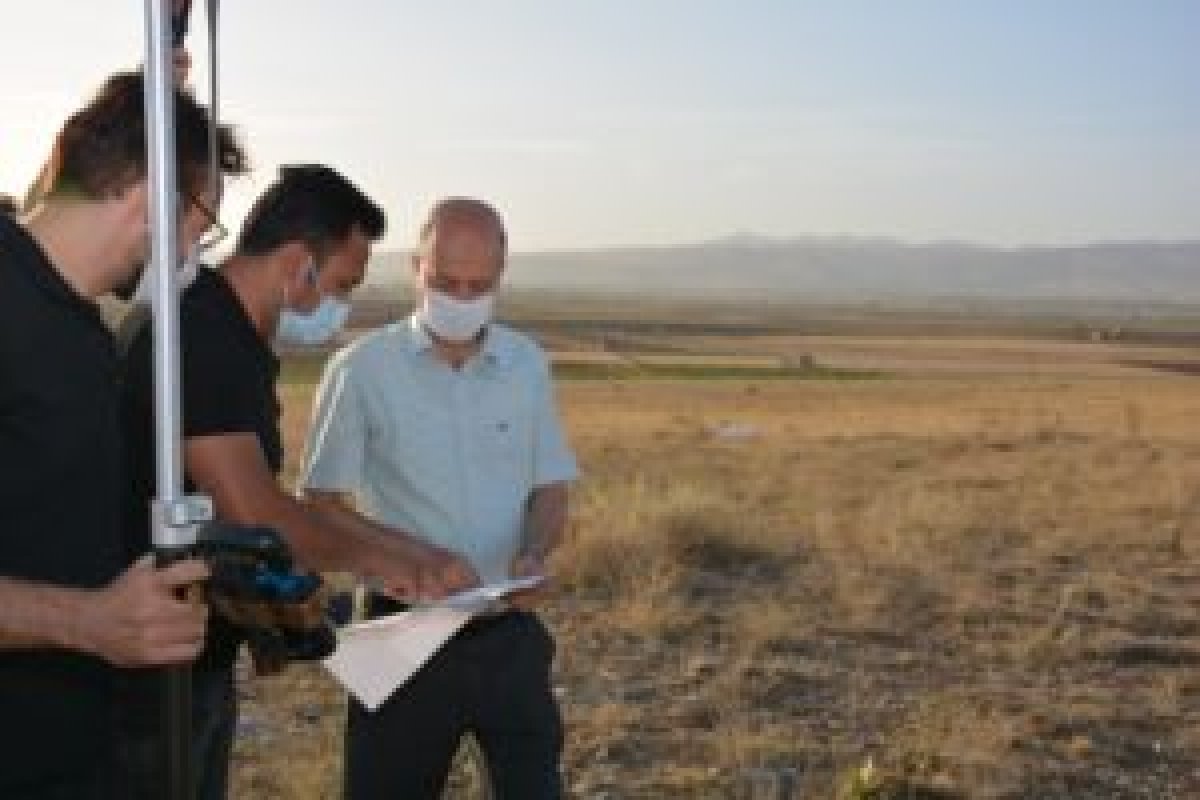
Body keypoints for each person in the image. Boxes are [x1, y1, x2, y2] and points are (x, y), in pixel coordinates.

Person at [119, 165, 478, 800]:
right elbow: (255, 513)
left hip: (192, 654)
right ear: (296, 263)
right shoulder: (199, 335)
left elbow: (229, 517)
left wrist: (412, 552)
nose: (341, 306)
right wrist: (388, 562)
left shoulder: (231, 336)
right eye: (341, 285)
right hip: (145, 679)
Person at [0, 70, 245, 798]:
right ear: (151, 199)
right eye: (201, 225)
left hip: (66, 747)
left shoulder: (80, 328)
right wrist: (87, 621)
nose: (195, 254)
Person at [302, 197, 579, 799]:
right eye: (447, 282)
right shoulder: (360, 369)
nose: (462, 298)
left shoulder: (526, 365)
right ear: (416, 268)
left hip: (509, 635)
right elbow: (320, 505)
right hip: (402, 634)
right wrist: (413, 558)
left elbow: (550, 487)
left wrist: (535, 552)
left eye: (479, 286)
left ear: (501, 277)